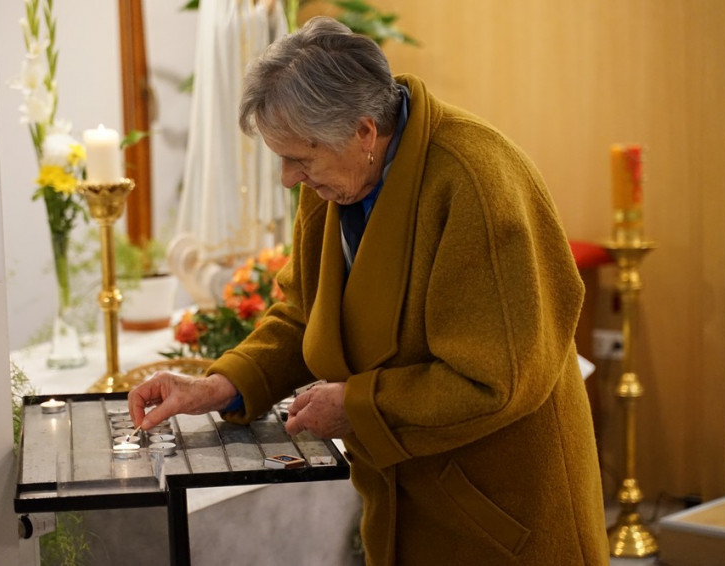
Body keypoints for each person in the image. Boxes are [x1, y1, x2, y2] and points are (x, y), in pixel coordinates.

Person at [129, 16, 609, 565]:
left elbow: (494, 381)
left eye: (298, 159)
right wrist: (222, 385)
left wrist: (358, 408)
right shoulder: (337, 177)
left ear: (363, 132)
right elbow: (305, 313)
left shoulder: (474, 180)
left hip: (501, 512)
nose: (288, 178)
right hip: (408, 502)